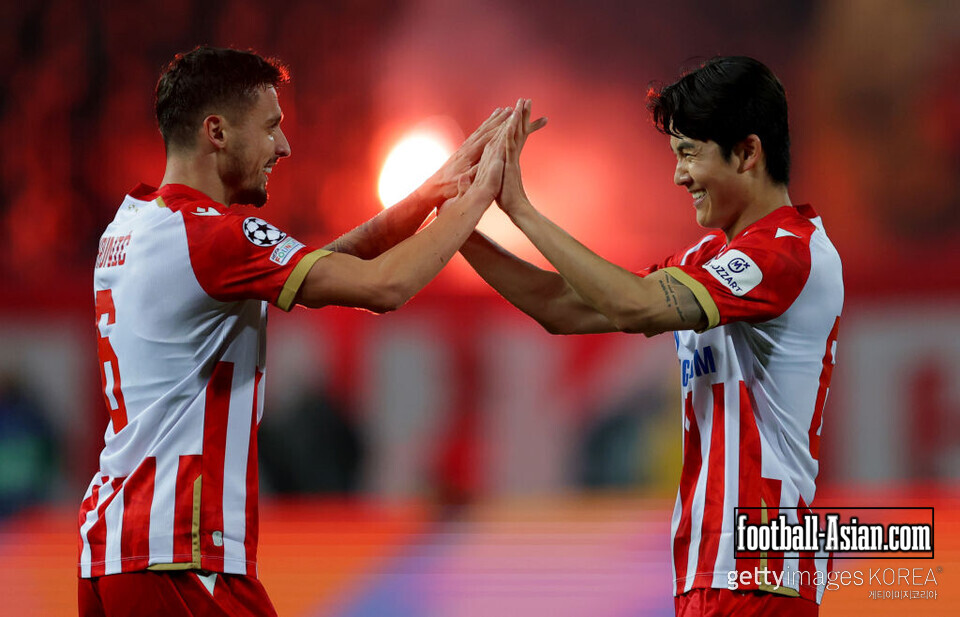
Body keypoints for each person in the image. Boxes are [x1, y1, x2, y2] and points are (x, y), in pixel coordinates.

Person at [77, 46, 516, 617]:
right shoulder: (213, 239)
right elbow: (385, 287)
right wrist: (483, 193)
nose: (282, 147)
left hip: (113, 551)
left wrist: (429, 196)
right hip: (181, 557)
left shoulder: (133, 223)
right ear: (217, 132)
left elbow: (324, 263)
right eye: (271, 127)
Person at [461, 57, 842, 616]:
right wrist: (455, 225)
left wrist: (519, 207)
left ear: (748, 152)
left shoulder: (790, 251)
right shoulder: (708, 258)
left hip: (757, 576)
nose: (678, 176)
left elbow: (635, 307)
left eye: (689, 154)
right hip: (708, 573)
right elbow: (562, 307)